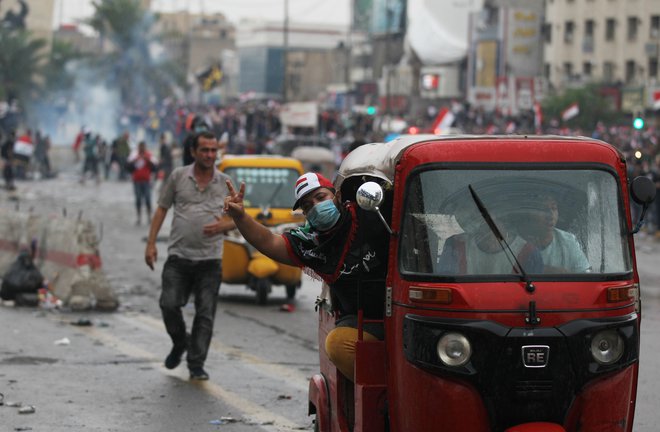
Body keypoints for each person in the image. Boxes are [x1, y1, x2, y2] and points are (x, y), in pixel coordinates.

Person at [224, 172, 390, 382]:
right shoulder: (310, 242)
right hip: (361, 321)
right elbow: (269, 242)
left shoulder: (369, 213)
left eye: (321, 198)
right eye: (308, 205)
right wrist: (240, 216)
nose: (316, 207)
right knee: (337, 345)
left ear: (337, 195)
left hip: (403, 311)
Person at [144, 131, 234, 381]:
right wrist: (151, 243)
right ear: (193, 152)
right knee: (169, 304)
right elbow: (162, 209)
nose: (209, 155)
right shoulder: (178, 177)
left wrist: (223, 226)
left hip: (210, 260)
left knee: (205, 314)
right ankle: (180, 342)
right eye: (204, 150)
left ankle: (196, 364)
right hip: (178, 256)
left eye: (213, 150)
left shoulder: (225, 182)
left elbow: (239, 219)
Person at [437, 209, 543, 275]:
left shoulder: (529, 253)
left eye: (493, 219)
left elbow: (533, 293)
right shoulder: (456, 245)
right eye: (482, 218)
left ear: (505, 222)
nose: (487, 224)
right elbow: (445, 280)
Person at [519, 194, 591, 273]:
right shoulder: (517, 242)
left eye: (553, 208)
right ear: (530, 213)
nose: (550, 216)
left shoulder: (568, 241)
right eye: (543, 209)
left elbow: (584, 275)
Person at [127, 141, 158, 225]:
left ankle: (149, 217)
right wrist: (135, 160)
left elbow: (155, 167)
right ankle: (139, 217)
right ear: (138, 147)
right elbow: (128, 166)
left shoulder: (149, 155)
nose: (141, 149)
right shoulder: (134, 155)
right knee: (138, 199)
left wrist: (147, 160)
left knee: (148, 199)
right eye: (140, 147)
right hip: (136, 181)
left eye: (143, 147)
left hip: (146, 181)